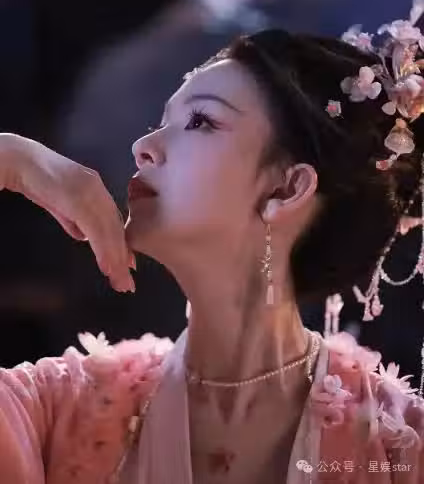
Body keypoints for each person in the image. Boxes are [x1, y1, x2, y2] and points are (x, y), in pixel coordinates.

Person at [0, 25, 424, 483]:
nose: (143, 148)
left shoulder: (399, 443)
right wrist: (15, 161)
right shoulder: (56, 408)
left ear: (287, 188)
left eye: (200, 121)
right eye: (159, 123)